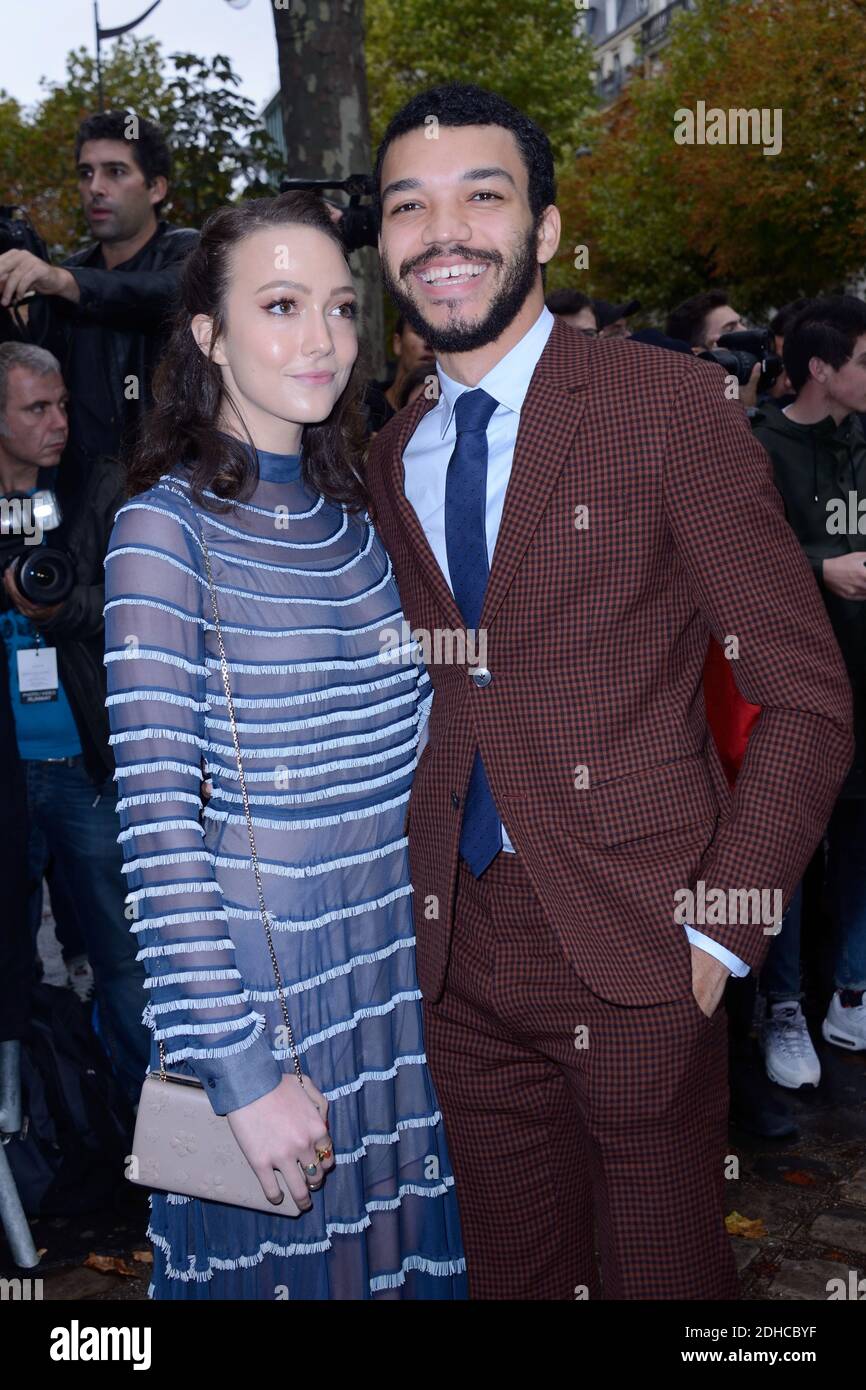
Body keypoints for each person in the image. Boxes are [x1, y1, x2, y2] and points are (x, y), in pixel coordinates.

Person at [365, 81, 854, 1300]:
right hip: (454, 944)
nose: (443, 232)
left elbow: (802, 694)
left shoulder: (666, 410)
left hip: (641, 933)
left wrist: (721, 926)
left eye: (482, 195)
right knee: (514, 1278)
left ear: (541, 226)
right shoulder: (390, 447)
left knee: (662, 1275)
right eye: (407, 206)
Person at [104, 190, 466, 1299]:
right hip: (264, 999)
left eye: (340, 307)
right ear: (207, 337)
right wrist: (241, 1071)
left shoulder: (359, 513)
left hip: (394, 988)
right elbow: (160, 831)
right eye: (280, 304)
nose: (322, 339)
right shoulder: (161, 532)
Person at [0, 341, 149, 1105]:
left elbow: (137, 599)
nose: (58, 421)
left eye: (61, 403)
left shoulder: (99, 483)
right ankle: (41, 1132)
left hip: (86, 765)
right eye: (35, 409)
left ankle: (151, 1136)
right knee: (11, 966)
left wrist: (61, 609)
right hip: (7, 774)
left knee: (124, 958)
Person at [751, 295, 866, 1067]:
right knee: (789, 847)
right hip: (789, 687)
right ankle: (783, 1004)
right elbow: (726, 557)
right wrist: (820, 566)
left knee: (861, 838)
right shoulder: (754, 443)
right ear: (821, 370)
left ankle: (852, 992)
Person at [0, 110, 197, 497]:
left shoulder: (190, 251)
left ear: (156, 188)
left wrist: (63, 281)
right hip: (76, 498)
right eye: (85, 173)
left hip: (176, 493)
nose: (96, 187)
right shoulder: (66, 275)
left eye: (115, 172)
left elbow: (166, 292)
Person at [363, 315, 434, 434]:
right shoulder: (361, 406)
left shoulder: (452, 417)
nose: (429, 343)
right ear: (398, 343)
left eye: (437, 336)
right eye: (419, 332)